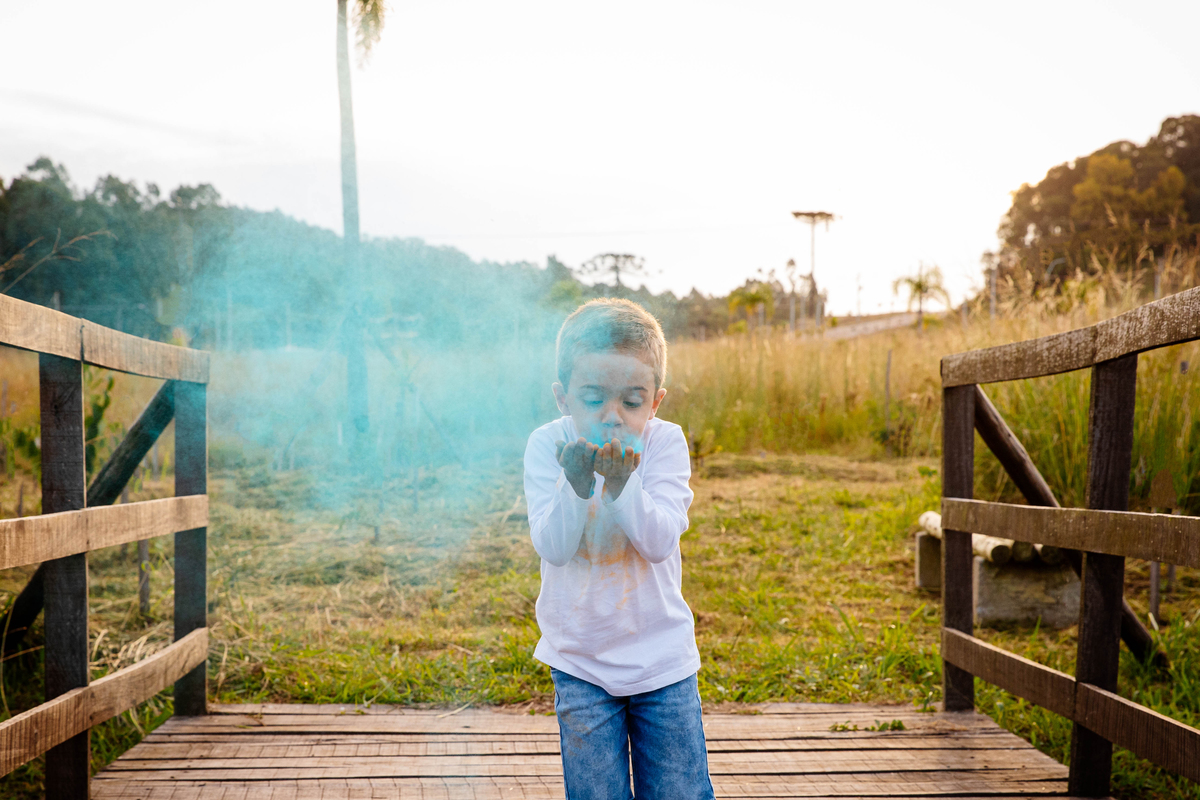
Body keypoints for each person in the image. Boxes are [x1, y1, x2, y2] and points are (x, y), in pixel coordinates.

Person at [523, 298, 714, 800]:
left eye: (632, 402)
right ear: (563, 398)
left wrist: (622, 485)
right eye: (593, 399)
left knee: (679, 792)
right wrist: (577, 484)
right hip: (580, 660)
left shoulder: (665, 444)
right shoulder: (548, 446)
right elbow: (554, 547)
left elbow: (657, 542)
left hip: (662, 660)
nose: (612, 417)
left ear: (656, 401)